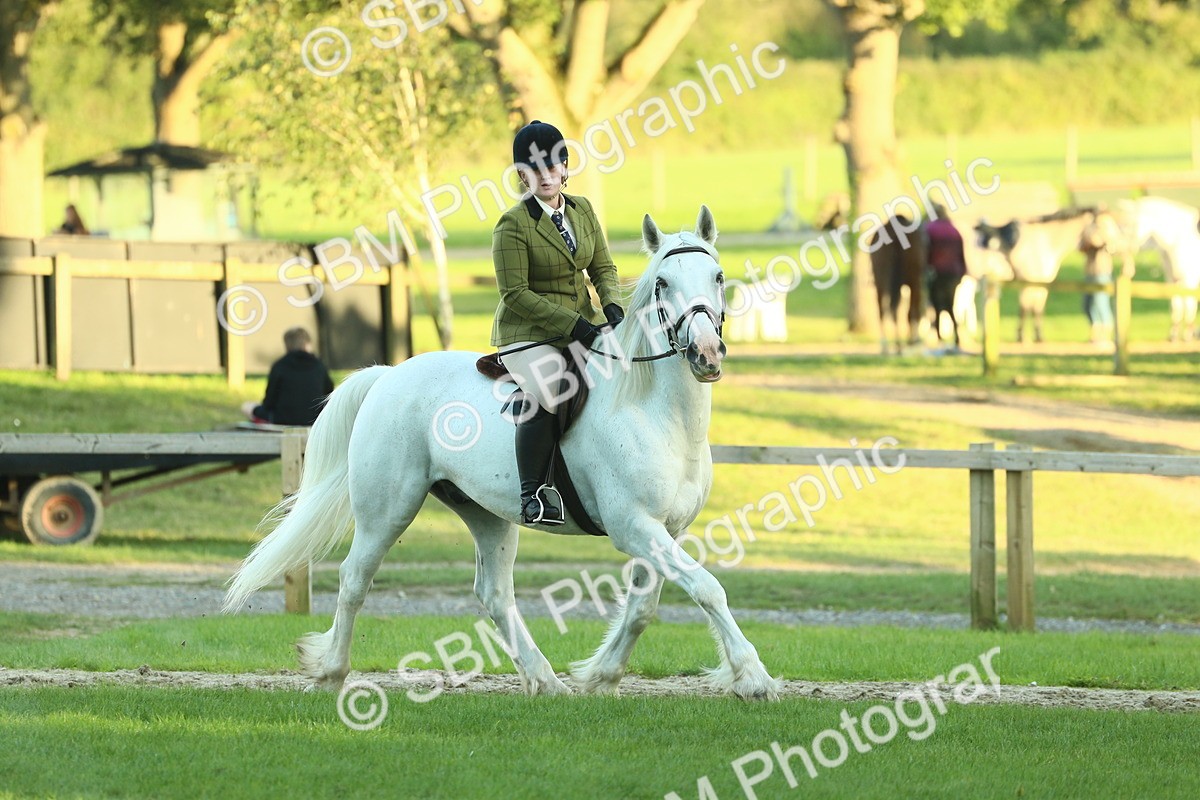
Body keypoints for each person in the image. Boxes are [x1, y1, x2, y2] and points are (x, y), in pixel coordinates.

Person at [491, 120, 624, 526]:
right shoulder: (512, 225)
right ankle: (532, 494)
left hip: (582, 326)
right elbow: (516, 294)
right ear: (521, 176)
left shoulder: (582, 210)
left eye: (552, 165)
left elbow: (603, 267)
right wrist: (575, 325)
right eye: (533, 169)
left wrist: (613, 306)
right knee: (553, 389)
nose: (545, 175)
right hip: (528, 334)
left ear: (565, 167)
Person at [242, 327, 334, 426]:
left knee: (247, 406)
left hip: (281, 420)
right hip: (314, 420)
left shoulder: (279, 366)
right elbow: (328, 396)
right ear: (308, 344)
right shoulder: (319, 366)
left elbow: (269, 401)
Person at [924, 204, 968, 349]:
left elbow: (925, 251)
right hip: (954, 273)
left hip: (938, 272)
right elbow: (961, 254)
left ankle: (939, 337)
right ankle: (956, 335)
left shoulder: (931, 229)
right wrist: (963, 271)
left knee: (937, 304)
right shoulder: (954, 231)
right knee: (950, 304)